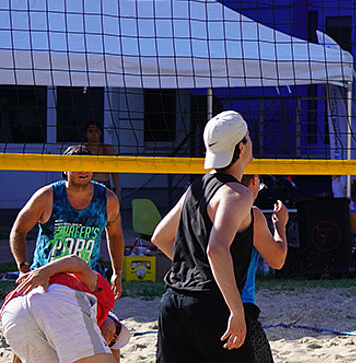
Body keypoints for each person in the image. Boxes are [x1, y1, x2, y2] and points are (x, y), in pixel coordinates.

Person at [154, 110, 259, 362]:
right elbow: (216, 250)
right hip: (210, 306)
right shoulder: (237, 194)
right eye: (248, 137)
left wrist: (194, 268)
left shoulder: (197, 187)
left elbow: (160, 237)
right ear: (242, 146)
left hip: (173, 302)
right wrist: (236, 310)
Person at [152, 173, 289, 363]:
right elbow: (277, 260)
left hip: (183, 301)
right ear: (255, 180)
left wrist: (195, 266)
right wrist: (280, 225)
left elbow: (159, 238)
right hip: (234, 307)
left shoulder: (198, 198)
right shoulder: (250, 213)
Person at [10, 144, 125, 298]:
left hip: (85, 278)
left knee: (107, 323)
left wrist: (117, 272)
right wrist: (23, 267)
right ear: (65, 169)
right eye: (77, 164)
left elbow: (115, 235)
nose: (83, 169)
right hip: (47, 278)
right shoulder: (47, 196)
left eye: (87, 164)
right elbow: (18, 231)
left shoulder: (108, 199)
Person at [1, 254, 132, 363]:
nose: (113, 337)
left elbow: (19, 352)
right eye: (118, 330)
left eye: (112, 343)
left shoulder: (77, 331)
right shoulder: (105, 302)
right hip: (58, 296)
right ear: (111, 317)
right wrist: (47, 270)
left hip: (12, 312)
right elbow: (77, 262)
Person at [83, 122, 120, 196]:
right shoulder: (83, 150)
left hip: (105, 185)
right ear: (86, 134)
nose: (93, 134)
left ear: (100, 133)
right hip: (88, 186)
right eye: (90, 131)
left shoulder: (109, 149)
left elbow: (114, 172)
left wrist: (117, 190)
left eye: (96, 131)